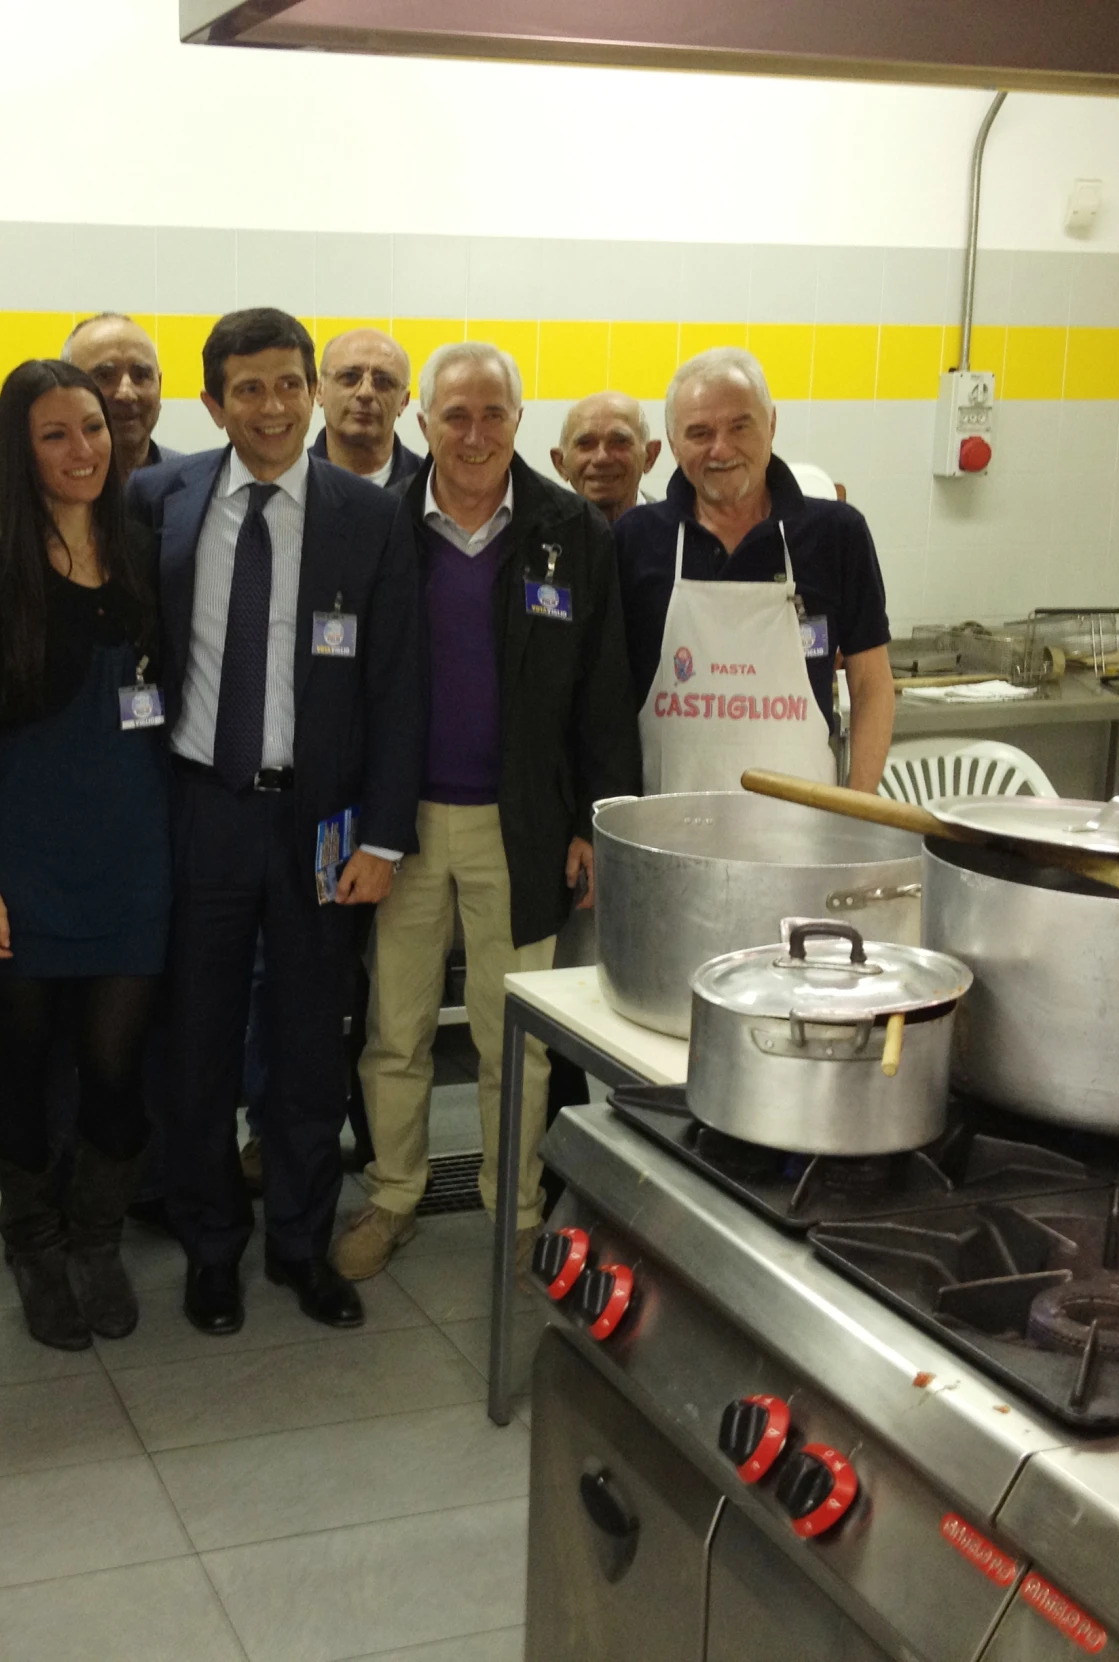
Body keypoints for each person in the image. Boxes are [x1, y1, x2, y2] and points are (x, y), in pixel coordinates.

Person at [126, 307, 423, 1337]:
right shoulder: (157, 499)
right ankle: (212, 1247)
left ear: (311, 392)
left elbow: (395, 684)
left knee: (307, 1052)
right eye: (246, 388)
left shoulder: (368, 514)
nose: (271, 406)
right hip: (196, 812)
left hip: (319, 827)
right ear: (212, 402)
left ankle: (299, 1246)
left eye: (288, 384)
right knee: (194, 1049)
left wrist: (382, 837)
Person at [335, 343, 637, 1281]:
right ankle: (394, 1197)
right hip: (402, 827)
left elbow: (603, 689)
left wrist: (591, 820)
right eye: (454, 416)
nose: (473, 434)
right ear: (421, 423)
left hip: (526, 829)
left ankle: (515, 1210)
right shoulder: (378, 521)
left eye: (492, 414)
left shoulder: (570, 528)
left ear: (517, 422)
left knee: (520, 1041)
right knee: (398, 1028)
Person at [0, 358, 169, 1348]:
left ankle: (95, 1237)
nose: (83, 449)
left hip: (132, 855)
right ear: (17, 449)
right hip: (23, 863)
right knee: (25, 1060)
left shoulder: (148, 552)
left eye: (93, 427)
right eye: (55, 434)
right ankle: (32, 1241)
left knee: (116, 1066)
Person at [614, 347, 895, 795]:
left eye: (739, 426)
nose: (720, 449)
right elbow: (605, 695)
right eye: (699, 433)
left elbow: (871, 682)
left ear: (771, 424)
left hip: (800, 831)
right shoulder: (635, 537)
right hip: (666, 829)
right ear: (672, 444)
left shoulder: (837, 534)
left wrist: (860, 804)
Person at [0, 312, 182, 530]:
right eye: (104, 376)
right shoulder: (10, 504)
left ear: (160, 384)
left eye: (141, 375)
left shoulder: (194, 487)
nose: (126, 393)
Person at [310, 327, 424, 489]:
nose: (365, 393)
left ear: (403, 402)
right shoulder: (290, 483)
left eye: (383, 381)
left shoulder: (432, 490)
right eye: (349, 377)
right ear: (319, 390)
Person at [550, 391, 661, 524]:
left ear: (650, 456)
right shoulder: (540, 538)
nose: (601, 458)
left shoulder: (674, 536)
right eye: (585, 444)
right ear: (561, 464)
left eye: (619, 441)